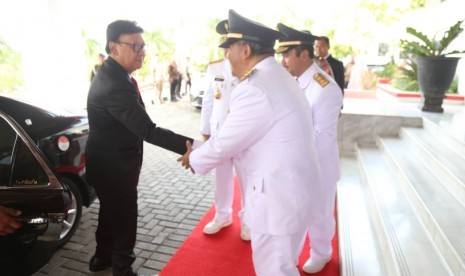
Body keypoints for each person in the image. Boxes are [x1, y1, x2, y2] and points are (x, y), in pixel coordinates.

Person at [178, 10, 323, 276]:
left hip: (276, 202)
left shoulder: (255, 87)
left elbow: (225, 144)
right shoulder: (279, 77)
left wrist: (194, 157)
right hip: (293, 193)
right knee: (285, 266)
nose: (226, 56)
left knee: (274, 271)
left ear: (245, 50)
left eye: (229, 48)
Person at [86, 20, 193, 276]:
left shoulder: (115, 74)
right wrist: (191, 145)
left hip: (106, 162)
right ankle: (123, 268)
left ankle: (102, 256)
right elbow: (147, 129)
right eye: (135, 46)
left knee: (110, 211)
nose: (141, 51)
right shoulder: (115, 84)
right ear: (113, 47)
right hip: (114, 168)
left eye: (142, 46)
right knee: (124, 216)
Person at [277, 23, 343, 274]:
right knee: (294, 213)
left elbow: (321, 137)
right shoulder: (295, 81)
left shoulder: (325, 88)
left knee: (319, 213)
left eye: (286, 54)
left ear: (304, 54)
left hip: (318, 166)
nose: (283, 61)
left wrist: (294, 161)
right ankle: (290, 257)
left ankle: (322, 252)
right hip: (296, 162)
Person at [199, 20, 249, 240]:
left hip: (245, 133)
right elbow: (209, 100)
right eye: (226, 42)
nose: (228, 47)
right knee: (222, 176)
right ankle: (222, 215)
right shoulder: (215, 67)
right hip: (220, 131)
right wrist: (205, 130)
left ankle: (248, 221)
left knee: (248, 177)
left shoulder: (251, 66)